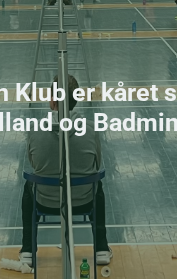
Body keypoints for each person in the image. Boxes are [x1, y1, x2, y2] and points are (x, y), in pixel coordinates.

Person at [19, 74, 110, 268]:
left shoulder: (34, 130)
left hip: (46, 202)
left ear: (53, 100)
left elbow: (34, 164)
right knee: (97, 186)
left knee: (29, 186)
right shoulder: (91, 129)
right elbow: (96, 164)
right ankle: (101, 249)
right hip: (83, 201)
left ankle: (27, 250)